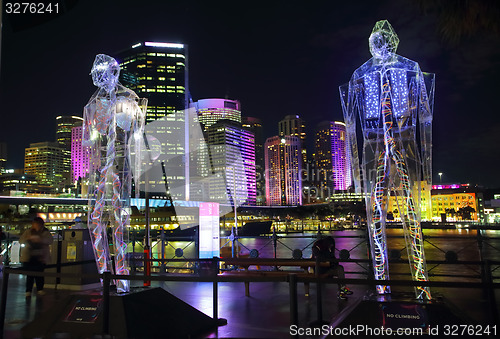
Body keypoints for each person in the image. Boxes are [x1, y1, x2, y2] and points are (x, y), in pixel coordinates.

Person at [20, 217, 53, 297]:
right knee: (30, 275)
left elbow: (50, 241)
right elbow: (21, 240)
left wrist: (40, 240)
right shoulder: (28, 232)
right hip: (29, 256)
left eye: (37, 224)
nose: (35, 225)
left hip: (40, 257)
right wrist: (29, 238)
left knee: (40, 274)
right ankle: (28, 290)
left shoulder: (45, 232)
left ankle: (40, 289)